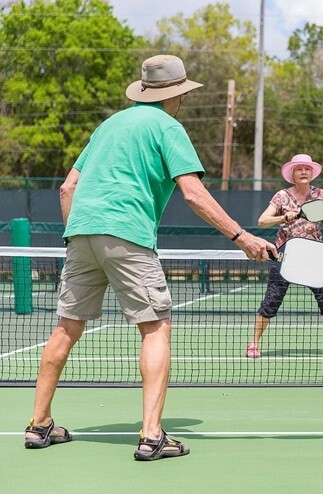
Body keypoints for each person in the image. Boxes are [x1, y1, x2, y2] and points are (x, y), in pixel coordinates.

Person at [23, 55, 275, 460]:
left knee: (66, 328)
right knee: (155, 328)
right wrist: (241, 236)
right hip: (127, 234)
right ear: (176, 96)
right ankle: (152, 435)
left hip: (80, 233)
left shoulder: (108, 125)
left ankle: (39, 425)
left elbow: (67, 188)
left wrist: (76, 235)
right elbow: (192, 193)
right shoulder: (168, 127)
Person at [246, 154, 323, 358]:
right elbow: (262, 221)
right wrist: (284, 217)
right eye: (299, 169)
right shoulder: (281, 196)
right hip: (284, 256)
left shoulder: (320, 194)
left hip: (315, 256)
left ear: (311, 173)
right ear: (292, 174)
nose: (304, 172)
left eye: (307, 169)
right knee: (272, 300)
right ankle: (253, 344)